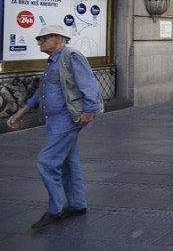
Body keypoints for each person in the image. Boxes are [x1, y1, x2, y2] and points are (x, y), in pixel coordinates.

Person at [6, 25, 103, 230]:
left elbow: (90, 85)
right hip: (54, 121)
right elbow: (39, 94)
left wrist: (90, 110)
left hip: (68, 120)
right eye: (38, 40)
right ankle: (77, 204)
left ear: (58, 38)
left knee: (46, 162)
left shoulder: (71, 56)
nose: (40, 43)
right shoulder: (52, 62)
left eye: (43, 38)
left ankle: (55, 208)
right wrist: (19, 113)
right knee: (69, 162)